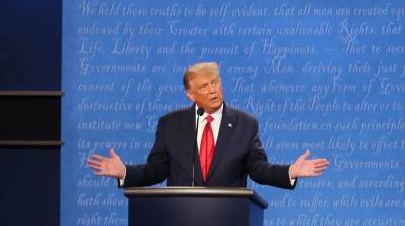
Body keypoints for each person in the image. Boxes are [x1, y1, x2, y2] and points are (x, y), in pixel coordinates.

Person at [87, 61, 328, 187]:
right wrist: (125, 173)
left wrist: (289, 172)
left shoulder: (245, 124)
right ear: (190, 94)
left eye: (215, 82)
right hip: (179, 224)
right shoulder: (171, 125)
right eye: (204, 86)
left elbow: (258, 169)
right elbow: (156, 170)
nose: (212, 90)